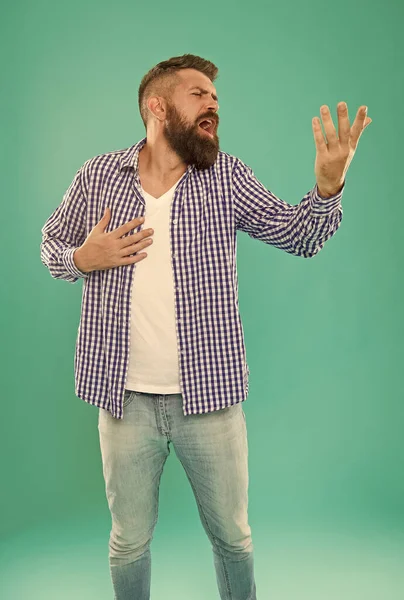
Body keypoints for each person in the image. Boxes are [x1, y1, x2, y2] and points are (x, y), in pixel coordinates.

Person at [40, 53, 345, 599]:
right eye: (198, 95)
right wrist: (83, 259)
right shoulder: (98, 176)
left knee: (232, 536)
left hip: (210, 399)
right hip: (123, 398)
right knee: (128, 541)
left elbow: (298, 235)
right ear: (157, 107)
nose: (213, 106)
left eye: (216, 99)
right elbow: (52, 245)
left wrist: (325, 190)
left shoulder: (225, 177)